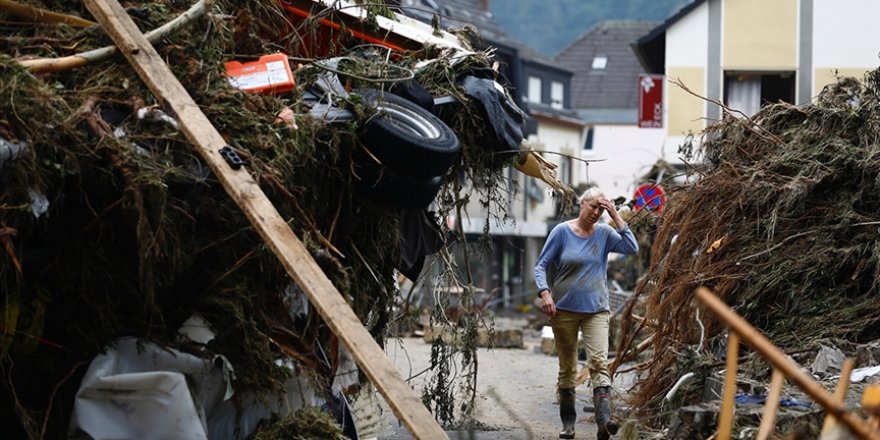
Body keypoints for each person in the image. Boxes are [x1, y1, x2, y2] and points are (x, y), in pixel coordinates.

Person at [534, 187, 638, 440]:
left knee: (599, 362)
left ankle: (604, 423)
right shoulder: (561, 232)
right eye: (594, 207)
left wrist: (615, 215)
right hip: (564, 310)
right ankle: (568, 423)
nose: (596, 213)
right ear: (582, 204)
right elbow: (541, 266)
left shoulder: (604, 233)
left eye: (601, 209)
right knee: (567, 367)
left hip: (596, 309)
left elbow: (631, 247)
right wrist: (545, 293)